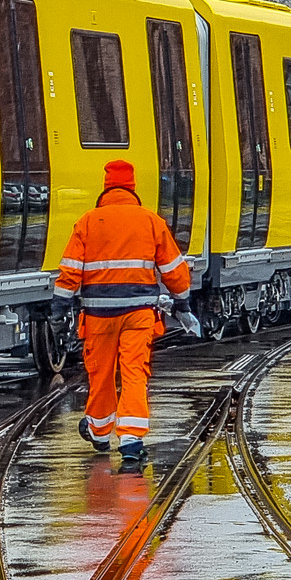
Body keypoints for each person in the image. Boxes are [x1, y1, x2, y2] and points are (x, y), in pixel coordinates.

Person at [50, 159, 202, 462]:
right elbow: (173, 270)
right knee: (134, 372)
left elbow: (69, 272)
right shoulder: (150, 221)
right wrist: (182, 303)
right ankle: (131, 439)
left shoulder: (88, 222)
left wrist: (58, 307)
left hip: (97, 315)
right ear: (132, 189)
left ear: (106, 188)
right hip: (138, 314)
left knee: (101, 373)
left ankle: (99, 431)